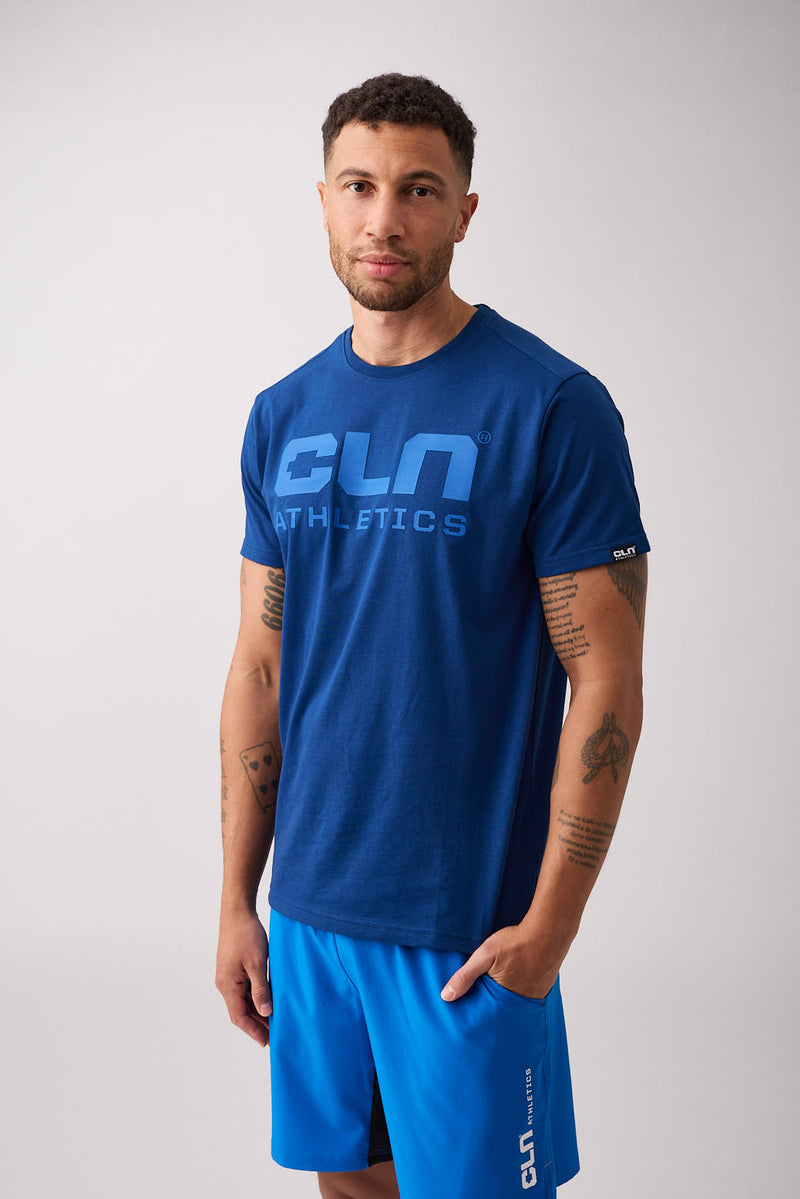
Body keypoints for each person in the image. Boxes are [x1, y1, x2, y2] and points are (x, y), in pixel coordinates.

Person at [215, 72, 650, 1199]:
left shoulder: (550, 405)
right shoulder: (282, 414)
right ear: (322, 201)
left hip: (464, 924)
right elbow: (259, 664)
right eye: (358, 186)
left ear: (463, 210)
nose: (384, 217)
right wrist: (238, 899)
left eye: (417, 188)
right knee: (351, 1184)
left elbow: (605, 679)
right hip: (310, 913)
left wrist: (550, 927)